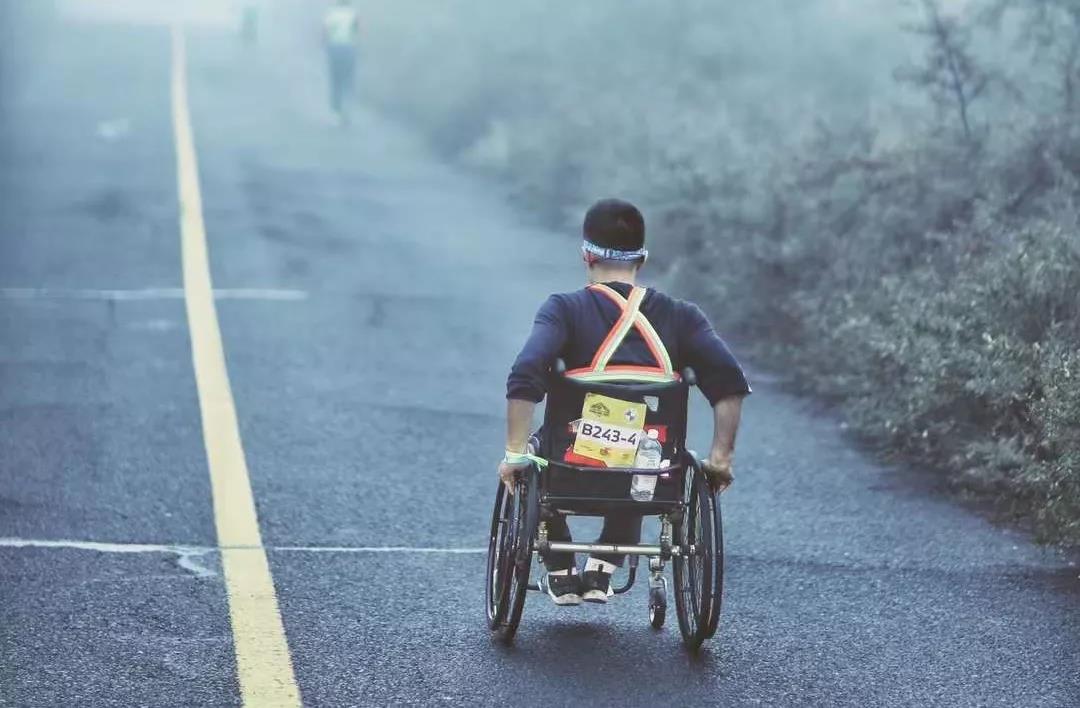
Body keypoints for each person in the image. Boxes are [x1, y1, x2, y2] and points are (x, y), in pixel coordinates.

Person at [499, 198, 751, 606]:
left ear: (586, 255)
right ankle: (603, 566)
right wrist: (720, 459)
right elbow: (729, 384)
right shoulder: (682, 316)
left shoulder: (563, 309)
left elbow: (525, 371)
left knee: (536, 456)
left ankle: (560, 566)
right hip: (649, 473)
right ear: (642, 259)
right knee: (644, 449)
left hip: (570, 464)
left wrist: (515, 454)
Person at [322, 0, 360, 124]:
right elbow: (357, 31)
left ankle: (336, 110)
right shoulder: (353, 14)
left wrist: (326, 46)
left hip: (335, 48)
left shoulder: (331, 14)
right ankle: (347, 108)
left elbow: (325, 32)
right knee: (348, 79)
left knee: (336, 80)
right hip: (349, 48)